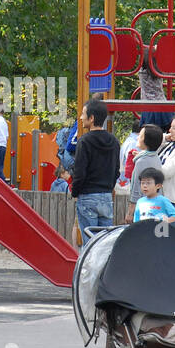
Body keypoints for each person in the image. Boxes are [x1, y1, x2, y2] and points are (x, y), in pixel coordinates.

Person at [70, 98, 120, 242]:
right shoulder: (114, 141)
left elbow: (80, 172)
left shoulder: (84, 141)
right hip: (106, 196)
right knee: (104, 243)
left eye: (83, 114)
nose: (80, 117)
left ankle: (90, 265)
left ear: (91, 118)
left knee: (90, 243)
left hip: (88, 196)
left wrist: (75, 191)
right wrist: (109, 187)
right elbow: (116, 170)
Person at [127, 124, 164, 201]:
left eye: (140, 136)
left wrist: (130, 211)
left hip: (144, 204)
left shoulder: (142, 161)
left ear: (147, 141)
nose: (137, 138)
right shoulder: (155, 156)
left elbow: (136, 187)